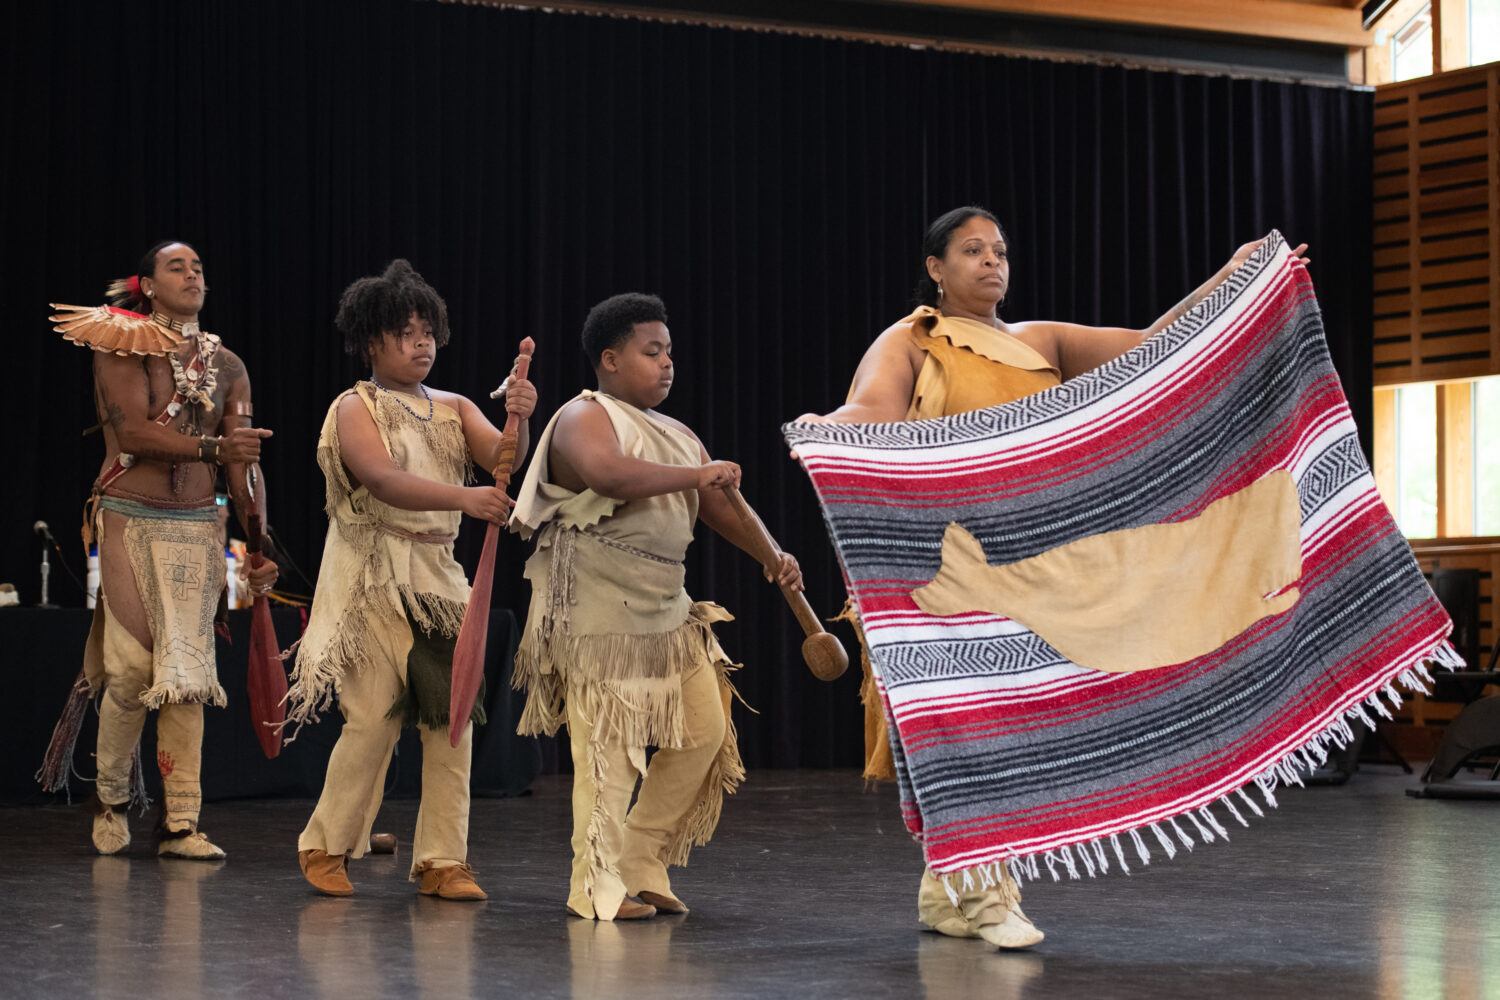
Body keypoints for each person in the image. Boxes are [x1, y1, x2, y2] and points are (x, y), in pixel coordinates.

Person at [797, 206, 1309, 949]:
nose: (991, 262)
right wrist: (828, 425)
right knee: (967, 735)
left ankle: (949, 891)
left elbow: (1153, 345)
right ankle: (989, 899)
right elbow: (868, 410)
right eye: (971, 250)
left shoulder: (1039, 341)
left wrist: (1232, 280)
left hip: (1029, 566)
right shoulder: (909, 340)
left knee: (1000, 733)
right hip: (935, 571)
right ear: (935, 268)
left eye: (999, 250)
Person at [510, 292, 802, 921]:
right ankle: (594, 884)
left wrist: (772, 554)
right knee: (608, 752)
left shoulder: (679, 434)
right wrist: (699, 477)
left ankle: (641, 858)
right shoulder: (581, 417)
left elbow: (724, 508)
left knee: (704, 731)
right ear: (610, 359)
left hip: (667, 606)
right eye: (652, 351)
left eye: (670, 351)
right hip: (597, 608)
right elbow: (610, 475)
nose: (667, 363)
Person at [289, 260, 536, 900]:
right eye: (405, 331)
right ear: (372, 340)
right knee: (371, 717)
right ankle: (325, 843)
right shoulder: (354, 406)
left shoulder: (453, 407)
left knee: (451, 720)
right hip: (370, 574)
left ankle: (442, 860)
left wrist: (519, 414)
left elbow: (506, 461)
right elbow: (381, 478)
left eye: (427, 330)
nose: (421, 342)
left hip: (437, 578)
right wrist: (467, 497)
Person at [55, 240, 279, 859]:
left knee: (188, 677)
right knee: (128, 671)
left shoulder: (228, 365)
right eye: (177, 267)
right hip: (128, 518)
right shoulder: (118, 342)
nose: (192, 275)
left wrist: (256, 542)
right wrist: (217, 452)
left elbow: (243, 463)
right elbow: (130, 430)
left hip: (198, 528)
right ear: (148, 285)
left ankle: (181, 822)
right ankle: (111, 798)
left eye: (199, 267)